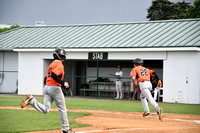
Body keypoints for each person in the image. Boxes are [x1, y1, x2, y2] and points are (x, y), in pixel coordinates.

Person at [20, 48, 75, 133]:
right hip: (54, 88)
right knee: (62, 109)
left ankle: (32, 101)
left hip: (47, 87)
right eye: (63, 54)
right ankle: (66, 129)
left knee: (46, 109)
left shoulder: (51, 64)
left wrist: (62, 84)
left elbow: (49, 77)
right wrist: (63, 83)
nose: (64, 56)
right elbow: (53, 75)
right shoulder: (59, 64)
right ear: (60, 55)